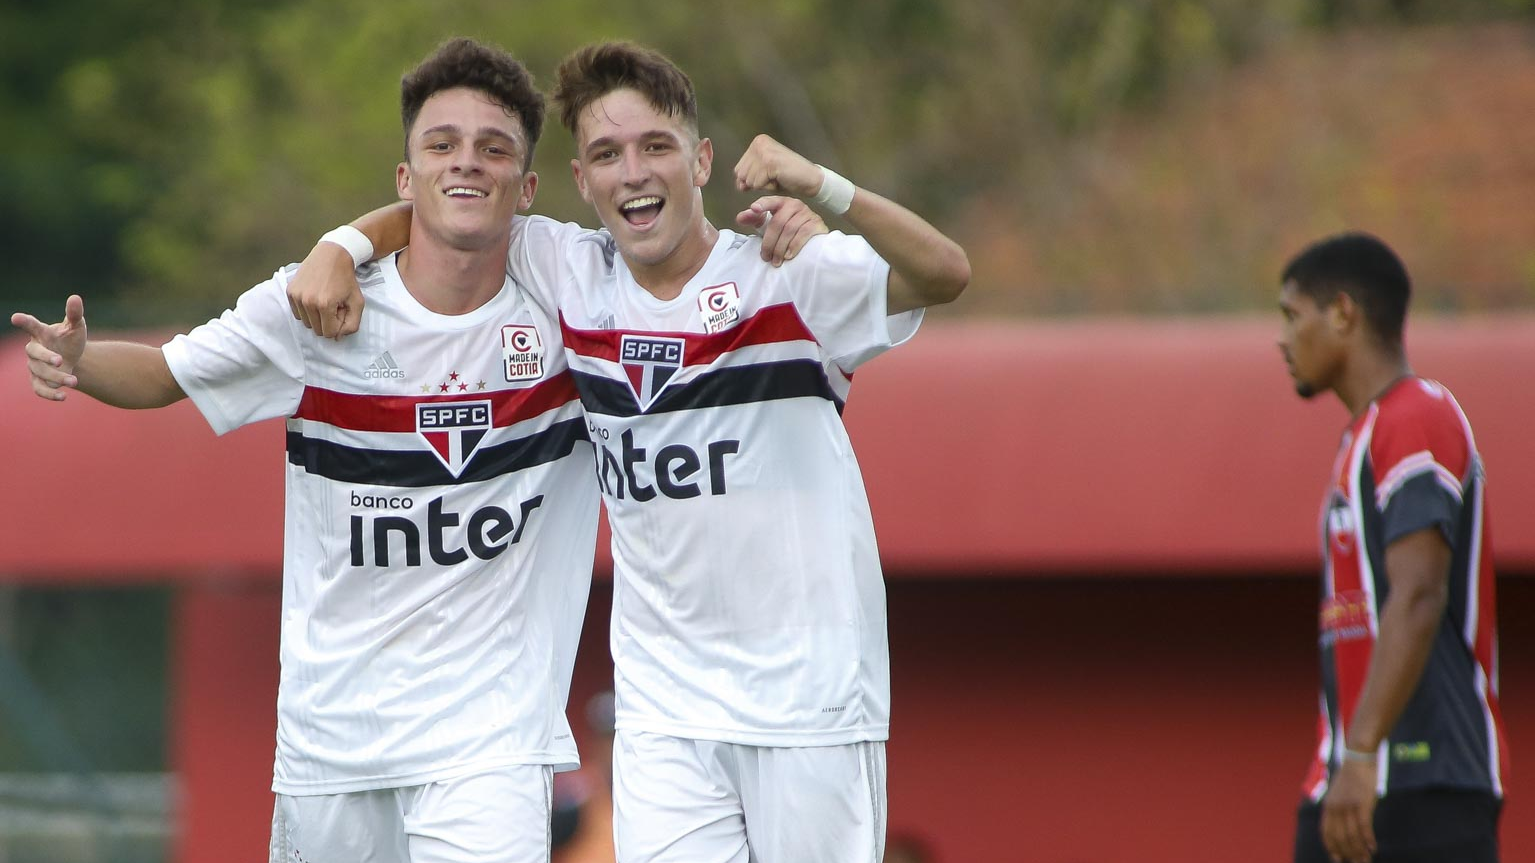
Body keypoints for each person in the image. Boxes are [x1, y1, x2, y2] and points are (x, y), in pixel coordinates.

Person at [288, 40, 970, 863]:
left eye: (656, 147)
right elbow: (455, 201)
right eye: (606, 154)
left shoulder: (786, 270)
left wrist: (823, 188)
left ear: (701, 159)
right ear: (582, 181)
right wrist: (341, 246)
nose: (633, 172)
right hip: (663, 711)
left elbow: (944, 272)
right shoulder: (566, 269)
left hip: (811, 696)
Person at [13, 39, 602, 863]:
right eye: (441, 145)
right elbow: (164, 372)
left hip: (491, 745)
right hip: (333, 741)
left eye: (493, 148)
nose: (466, 163)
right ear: (406, 177)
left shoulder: (573, 311)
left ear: (526, 187)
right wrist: (77, 362)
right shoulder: (318, 308)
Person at [1277, 233, 1507, 863]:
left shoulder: (1415, 414)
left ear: (1343, 313)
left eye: (1293, 316)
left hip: (1419, 780)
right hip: (1354, 782)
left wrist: (1361, 753)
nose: (1282, 340)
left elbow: (1420, 593)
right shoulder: (1363, 437)